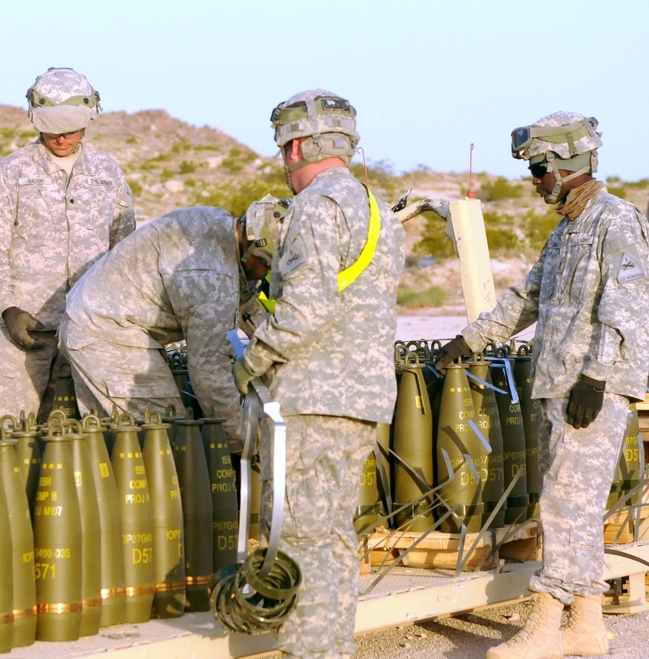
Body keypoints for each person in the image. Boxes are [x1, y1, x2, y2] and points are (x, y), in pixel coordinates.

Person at [435, 112, 649, 659]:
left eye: (538, 170)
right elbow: (526, 298)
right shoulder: (567, 230)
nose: (534, 182)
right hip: (558, 384)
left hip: (589, 389)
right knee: (571, 505)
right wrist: (470, 341)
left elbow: (626, 309)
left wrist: (598, 378)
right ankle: (587, 624)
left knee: (562, 506)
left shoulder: (615, 220)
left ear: (565, 166)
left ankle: (547, 624)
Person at [231, 89, 405, 658]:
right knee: (331, 536)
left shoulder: (314, 207)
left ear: (299, 144)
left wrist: (251, 360)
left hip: (313, 396)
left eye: (285, 147)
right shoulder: (375, 209)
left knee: (301, 536)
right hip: (362, 397)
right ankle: (332, 649)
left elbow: (308, 308)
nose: (284, 160)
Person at [0, 67, 136, 421]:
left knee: (85, 444)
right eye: (51, 130)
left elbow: (124, 251)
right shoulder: (10, 172)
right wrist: (7, 306)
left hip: (88, 330)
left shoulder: (109, 174)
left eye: (70, 130)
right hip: (23, 330)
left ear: (89, 119)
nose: (60, 138)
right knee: (5, 435)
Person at [58, 197, 288, 450]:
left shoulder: (220, 225)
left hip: (100, 321)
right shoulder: (210, 277)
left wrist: (278, 347)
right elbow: (210, 374)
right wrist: (245, 442)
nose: (265, 276)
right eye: (267, 267)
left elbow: (245, 306)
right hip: (106, 335)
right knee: (166, 439)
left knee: (137, 443)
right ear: (254, 250)